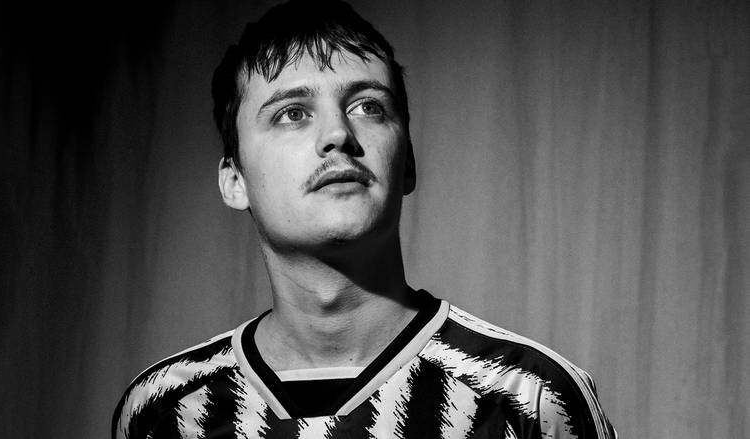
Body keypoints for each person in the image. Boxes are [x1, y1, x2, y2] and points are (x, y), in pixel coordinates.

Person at [112, 0, 617, 437]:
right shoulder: (162, 413)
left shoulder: (529, 398)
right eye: (293, 113)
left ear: (408, 163)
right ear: (234, 179)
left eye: (368, 107)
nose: (338, 134)